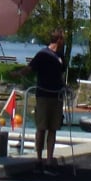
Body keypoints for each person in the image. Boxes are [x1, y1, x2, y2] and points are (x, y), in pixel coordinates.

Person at [28, 31, 67, 172]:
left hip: (56, 96)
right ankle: (39, 159)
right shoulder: (42, 54)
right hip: (43, 95)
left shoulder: (61, 56)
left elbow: (61, 74)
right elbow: (31, 68)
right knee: (41, 128)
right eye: (63, 39)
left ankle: (49, 160)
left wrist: (64, 87)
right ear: (58, 40)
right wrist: (18, 74)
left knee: (53, 128)